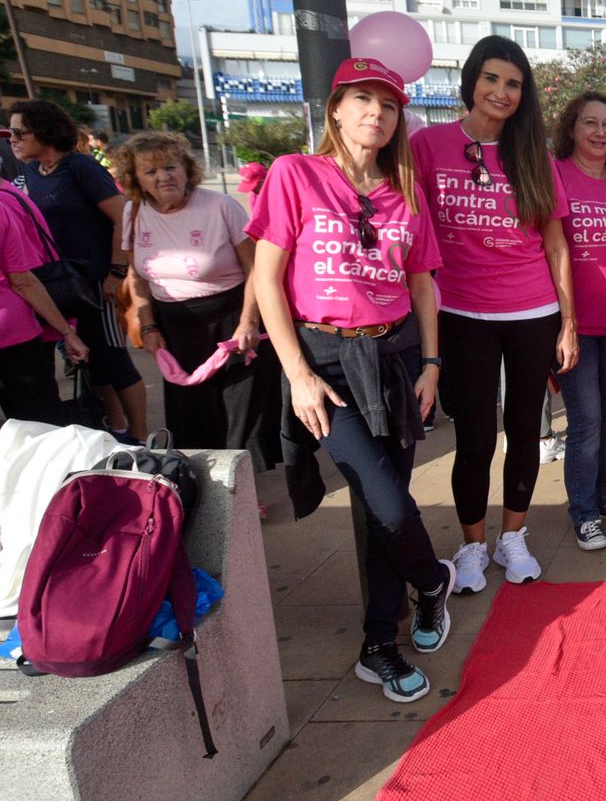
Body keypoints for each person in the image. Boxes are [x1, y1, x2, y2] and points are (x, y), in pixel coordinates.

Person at [248, 57, 454, 703]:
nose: (375, 113)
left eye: (388, 105)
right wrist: (298, 374)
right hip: (325, 364)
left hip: (394, 358)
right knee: (386, 501)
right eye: (362, 100)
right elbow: (266, 278)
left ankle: (375, 645)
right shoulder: (295, 175)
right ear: (335, 108)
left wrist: (430, 364)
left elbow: (422, 282)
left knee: (380, 505)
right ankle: (432, 581)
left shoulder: (405, 189)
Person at [411, 35, 579, 592]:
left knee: (524, 429)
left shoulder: (533, 156)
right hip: (460, 312)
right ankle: (474, 544)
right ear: (471, 82)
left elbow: (556, 244)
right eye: (492, 79)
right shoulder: (429, 146)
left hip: (532, 310)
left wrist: (568, 320)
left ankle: (513, 536)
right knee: (476, 437)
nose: (502, 92)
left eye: (513, 83)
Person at [117, 131, 281, 471]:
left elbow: (256, 269)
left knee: (238, 410)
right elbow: (137, 275)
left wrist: (249, 321)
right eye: (151, 171)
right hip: (174, 327)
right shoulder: (133, 212)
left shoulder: (220, 206)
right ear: (136, 180)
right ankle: (201, 481)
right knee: (192, 411)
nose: (163, 177)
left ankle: (240, 487)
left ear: (186, 169)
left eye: (170, 166)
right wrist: (147, 324)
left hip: (231, 318)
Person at [9, 99, 147, 443]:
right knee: (90, 361)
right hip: (61, 287)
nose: (12, 139)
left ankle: (144, 439)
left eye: (18, 132)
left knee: (114, 361)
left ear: (45, 131)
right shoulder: (29, 172)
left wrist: (115, 273)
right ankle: (115, 430)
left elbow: (123, 216)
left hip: (96, 284)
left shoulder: (80, 167)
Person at [552, 91, 606, 552]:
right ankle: (583, 511)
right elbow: (550, 249)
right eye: (590, 123)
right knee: (586, 420)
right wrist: (563, 323)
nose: (600, 132)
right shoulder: (557, 174)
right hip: (576, 323)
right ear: (572, 128)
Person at [0, 183, 89, 422]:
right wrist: (67, 331)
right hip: (13, 337)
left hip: (13, 334)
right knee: (39, 425)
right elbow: (22, 280)